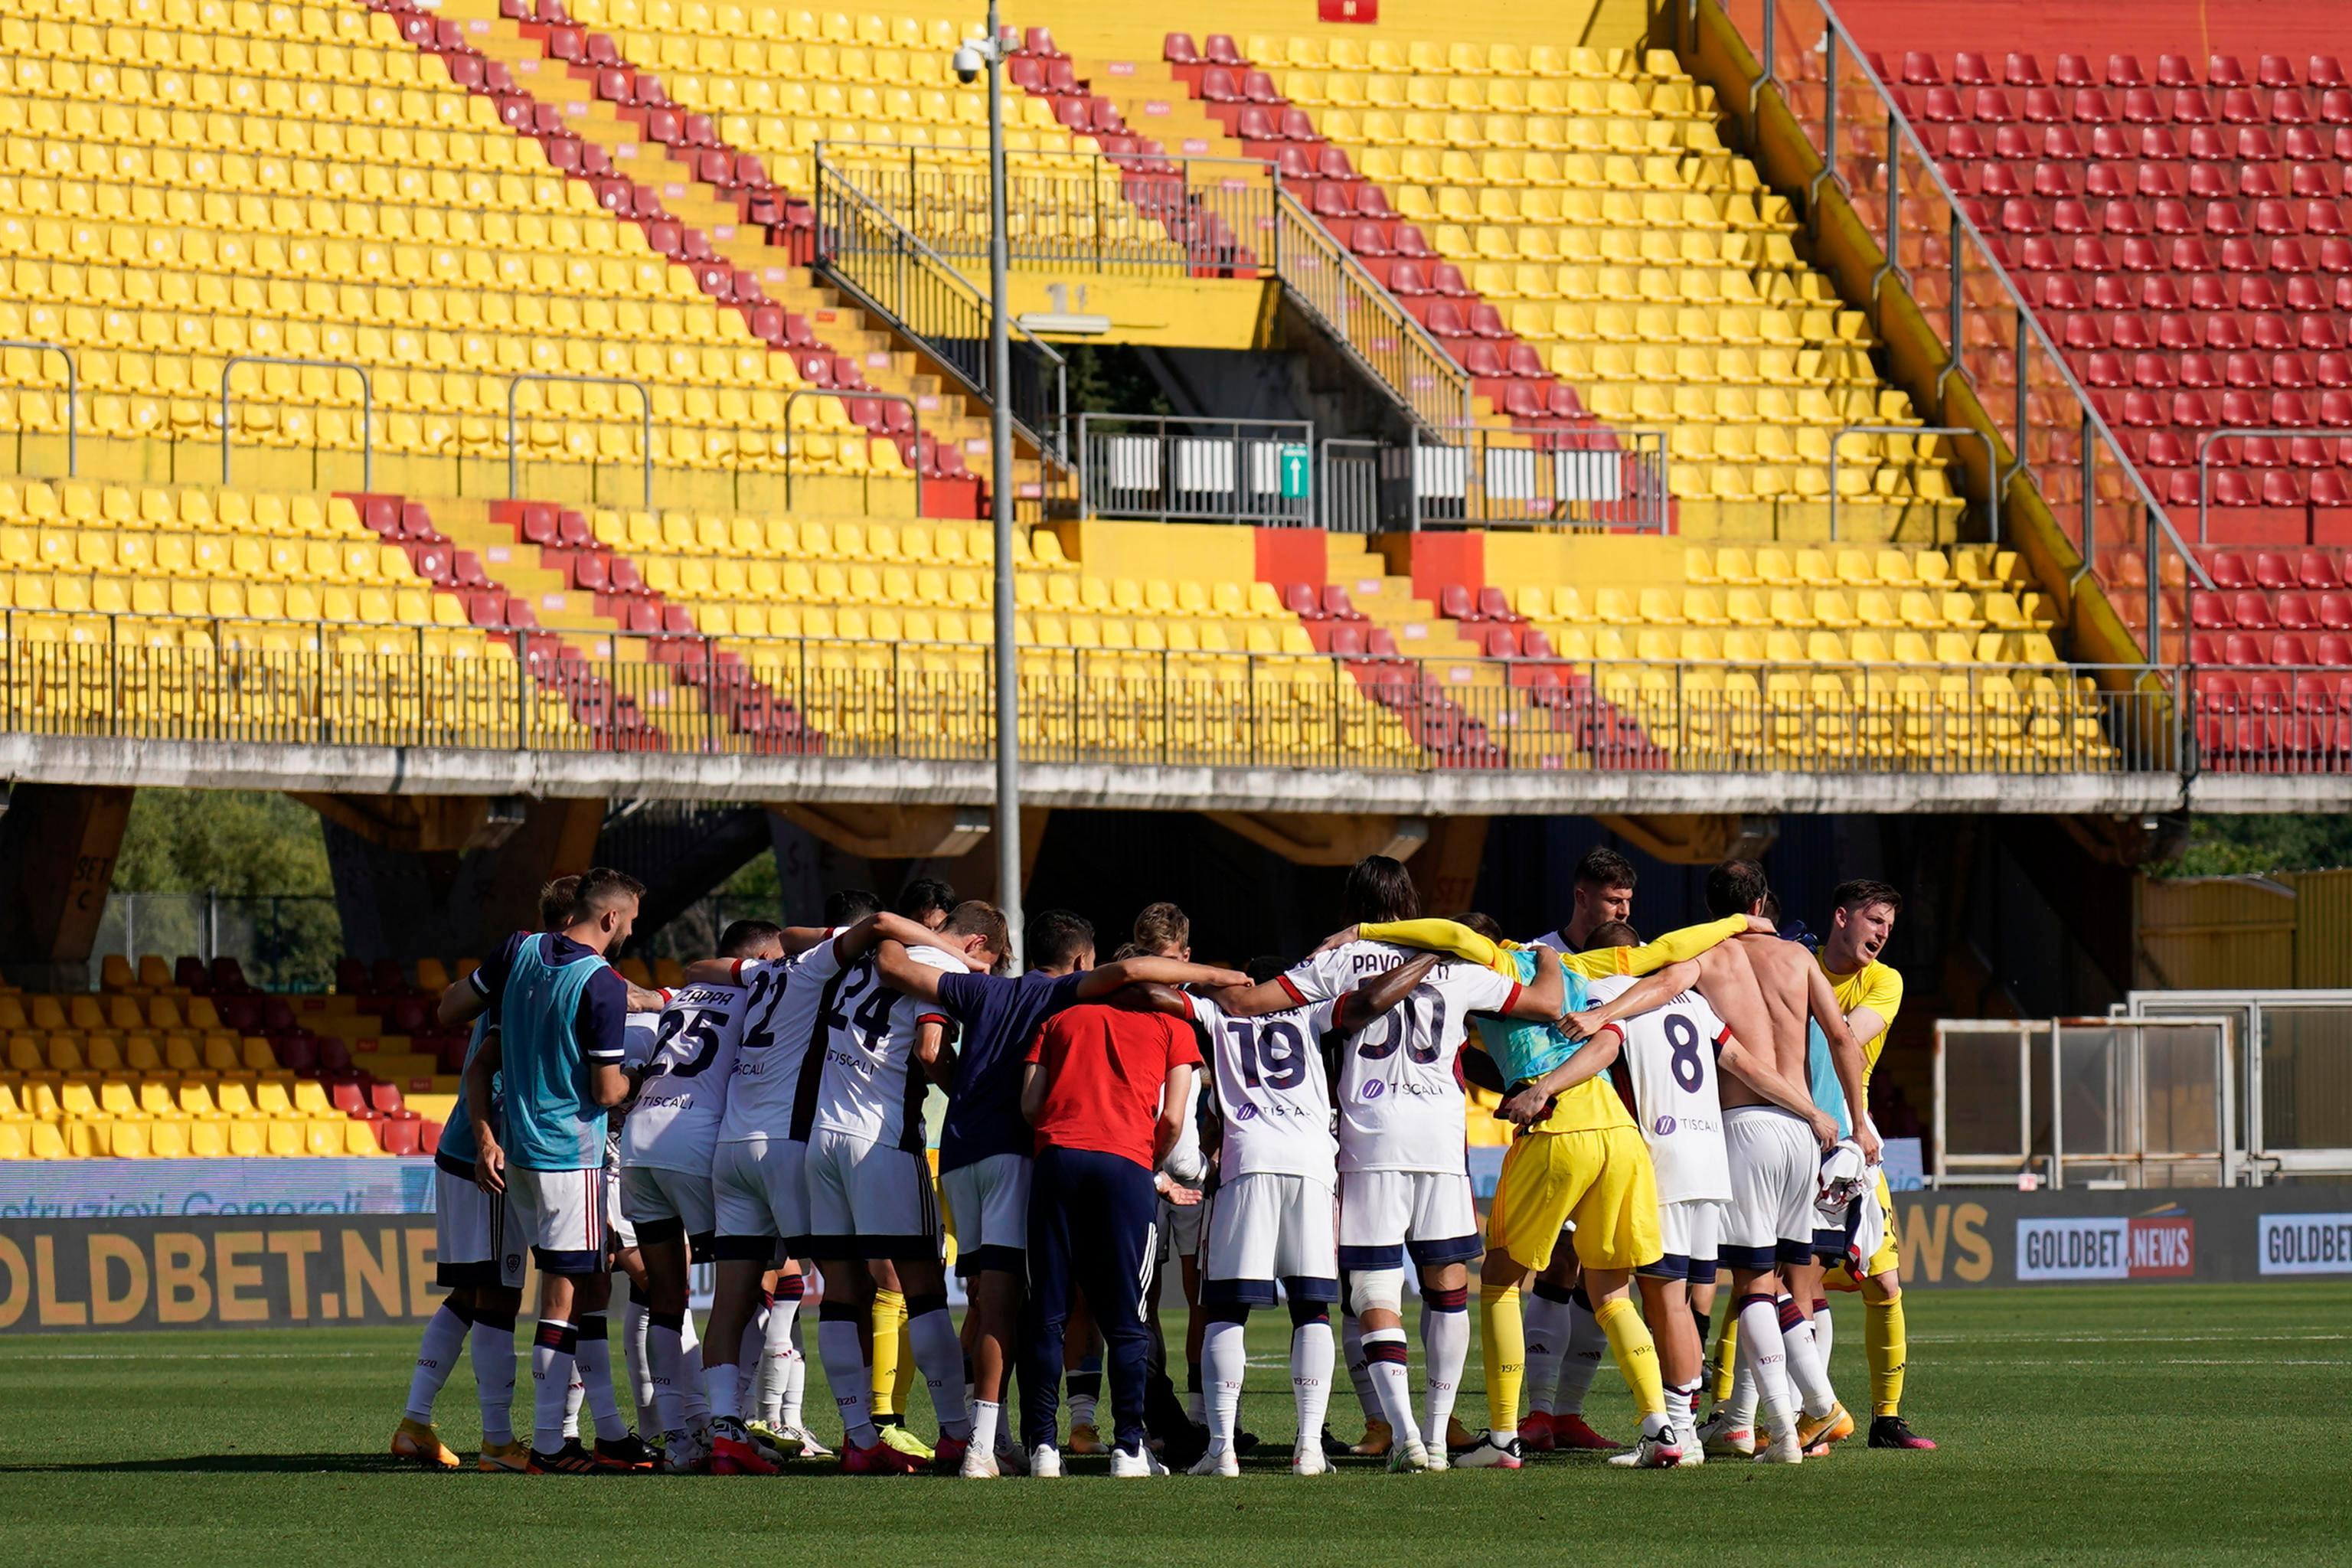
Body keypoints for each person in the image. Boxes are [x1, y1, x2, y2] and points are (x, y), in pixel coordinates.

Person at [1208, 857, 1564, 1474]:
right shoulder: (1456, 963)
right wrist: (1550, 955)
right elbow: (1546, 1003)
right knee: (1447, 1287)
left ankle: (1403, 1434)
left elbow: (1251, 1004)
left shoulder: (1336, 959)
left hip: (1369, 1137)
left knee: (1373, 1289)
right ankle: (1435, 1433)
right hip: (1439, 1135)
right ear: (1412, 904)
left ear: (1353, 907)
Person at [874, 909, 1246, 1478]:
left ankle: (1016, 1441)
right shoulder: (1075, 1002)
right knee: (1097, 1310)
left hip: (962, 1151)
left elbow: (892, 963)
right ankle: (1068, 1445)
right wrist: (1222, 979)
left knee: (999, 1301)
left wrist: (949, 951)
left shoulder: (983, 988)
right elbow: (1159, 1107)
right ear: (1082, 962)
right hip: (1035, 1156)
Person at [1532, 920, 1833, 1467]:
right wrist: (1812, 1112)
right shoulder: (1694, 1006)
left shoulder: (1611, 997)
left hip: (1664, 1164)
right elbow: (1745, 1065)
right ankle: (1690, 1427)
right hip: (1712, 1166)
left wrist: (1545, 1088)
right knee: (1691, 1303)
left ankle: (1675, 1436)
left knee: (1658, 1304)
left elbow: (1603, 1049)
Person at [690, 906, 949, 1474]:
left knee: (732, 1296)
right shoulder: (816, 972)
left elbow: (699, 967)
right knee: (848, 1285)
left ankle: (726, 1433)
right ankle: (861, 1435)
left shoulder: (759, 975)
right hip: (786, 1145)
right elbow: (873, 926)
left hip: (730, 1148)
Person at [1165, 949, 1442, 1476]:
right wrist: (1431, 956)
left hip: (1247, 1164)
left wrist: (1207, 977)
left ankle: (1221, 1449)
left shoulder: (1216, 1010)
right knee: (1312, 1307)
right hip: (1313, 1166)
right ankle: (1309, 1449)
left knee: (1227, 1309)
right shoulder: (1311, 1011)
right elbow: (1370, 1001)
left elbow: (1142, 987)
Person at [461, 867, 657, 1475]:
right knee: (561, 1300)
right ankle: (549, 1443)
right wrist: (644, 1080)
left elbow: (480, 1048)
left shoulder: (517, 950)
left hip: (518, 1149)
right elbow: (604, 1091)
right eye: (628, 923)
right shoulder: (599, 982)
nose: (627, 934)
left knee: (589, 1288)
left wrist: (485, 1133)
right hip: (569, 1155)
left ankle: (608, 1433)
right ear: (609, 918)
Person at [801, 901, 1007, 1475]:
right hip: (884, 1140)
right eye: (988, 963)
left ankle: (859, 1437)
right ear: (977, 946)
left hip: (824, 1137)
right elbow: (929, 1050)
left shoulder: (865, 953)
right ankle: (956, 1435)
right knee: (923, 1290)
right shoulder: (947, 972)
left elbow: (795, 940)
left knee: (840, 1291)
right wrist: (973, 1092)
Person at [390, 874, 580, 1474]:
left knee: (474, 1293)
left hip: (465, 1142)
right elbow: (484, 1060)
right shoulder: (551, 973)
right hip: (489, 1146)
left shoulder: (514, 967)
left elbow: (449, 1007)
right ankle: (498, 1442)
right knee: (498, 1294)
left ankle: (416, 1422)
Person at [619, 919, 783, 1472]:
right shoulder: (762, 994)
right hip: (696, 1142)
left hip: (640, 1141)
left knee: (666, 1296)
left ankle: (679, 1441)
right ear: (759, 956)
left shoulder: (679, 997)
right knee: (757, 1276)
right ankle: (727, 1424)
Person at [1018, 992, 1203, 1478]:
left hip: (1057, 1160)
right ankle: (1129, 1446)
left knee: (1048, 1312)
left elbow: (1031, 1104)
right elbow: (1174, 1119)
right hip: (1125, 1165)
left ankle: (1042, 1447)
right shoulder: (1172, 1025)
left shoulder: (1056, 1017)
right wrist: (1148, 1165)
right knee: (1127, 1318)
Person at [1816, 878, 1936, 1451]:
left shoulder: (1883, 982)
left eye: (1889, 925)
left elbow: (1845, 1037)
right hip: (1795, 1135)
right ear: (1842, 917)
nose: (1884, 934)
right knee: (1773, 1281)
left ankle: (1886, 1419)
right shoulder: (1797, 961)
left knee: (1884, 1283)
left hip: (1853, 1143)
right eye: (1874, 921)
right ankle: (1739, 1412)